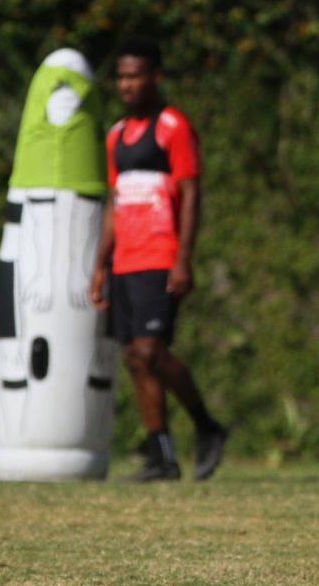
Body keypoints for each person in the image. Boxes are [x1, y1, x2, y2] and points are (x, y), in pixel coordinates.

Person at [89, 37, 227, 482]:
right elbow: (114, 202)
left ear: (155, 77)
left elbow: (190, 194)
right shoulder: (114, 135)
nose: (127, 85)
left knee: (151, 350)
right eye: (121, 76)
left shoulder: (172, 126)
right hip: (124, 261)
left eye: (135, 75)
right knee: (135, 357)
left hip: (160, 255)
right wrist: (98, 265)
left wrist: (183, 257)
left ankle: (207, 427)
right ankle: (161, 456)